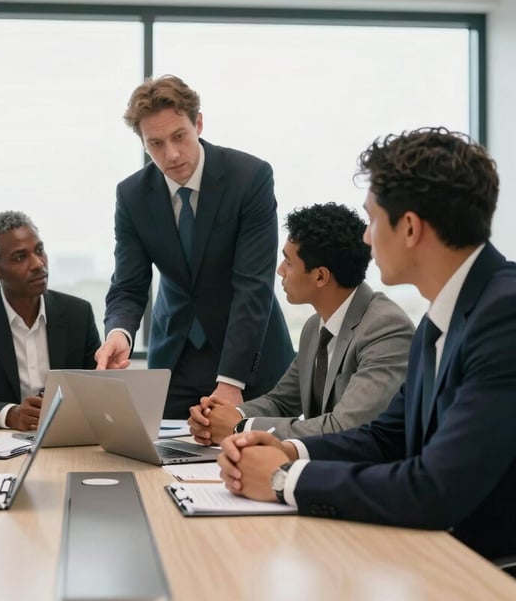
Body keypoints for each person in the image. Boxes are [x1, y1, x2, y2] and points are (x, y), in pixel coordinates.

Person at [218, 127, 516, 560]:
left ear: (410, 227)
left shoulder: (504, 315)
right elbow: (386, 436)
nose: (365, 238)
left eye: (373, 219)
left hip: (486, 573)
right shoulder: (440, 316)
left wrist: (285, 479)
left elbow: (435, 488)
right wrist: (287, 448)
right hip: (437, 552)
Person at [95, 75, 294, 418]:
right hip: (175, 358)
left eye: (179, 136)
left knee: (250, 465)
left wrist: (232, 380)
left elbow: (253, 285)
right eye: (155, 144)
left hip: (249, 357)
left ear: (198, 123)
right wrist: (120, 333)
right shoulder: (132, 196)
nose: (171, 155)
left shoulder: (249, 178)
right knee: (165, 462)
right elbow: (129, 284)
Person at [189, 203, 414, 443]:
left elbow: (346, 426)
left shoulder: (386, 328)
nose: (279, 271)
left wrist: (241, 427)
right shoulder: (314, 327)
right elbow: (282, 402)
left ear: (320, 276)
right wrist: (221, 416)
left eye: (288, 262)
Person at [0, 211, 101, 431]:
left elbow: (97, 388)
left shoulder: (77, 313)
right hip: (2, 443)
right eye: (20, 257)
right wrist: (9, 414)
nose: (37, 264)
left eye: (39, 251)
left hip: (68, 437)